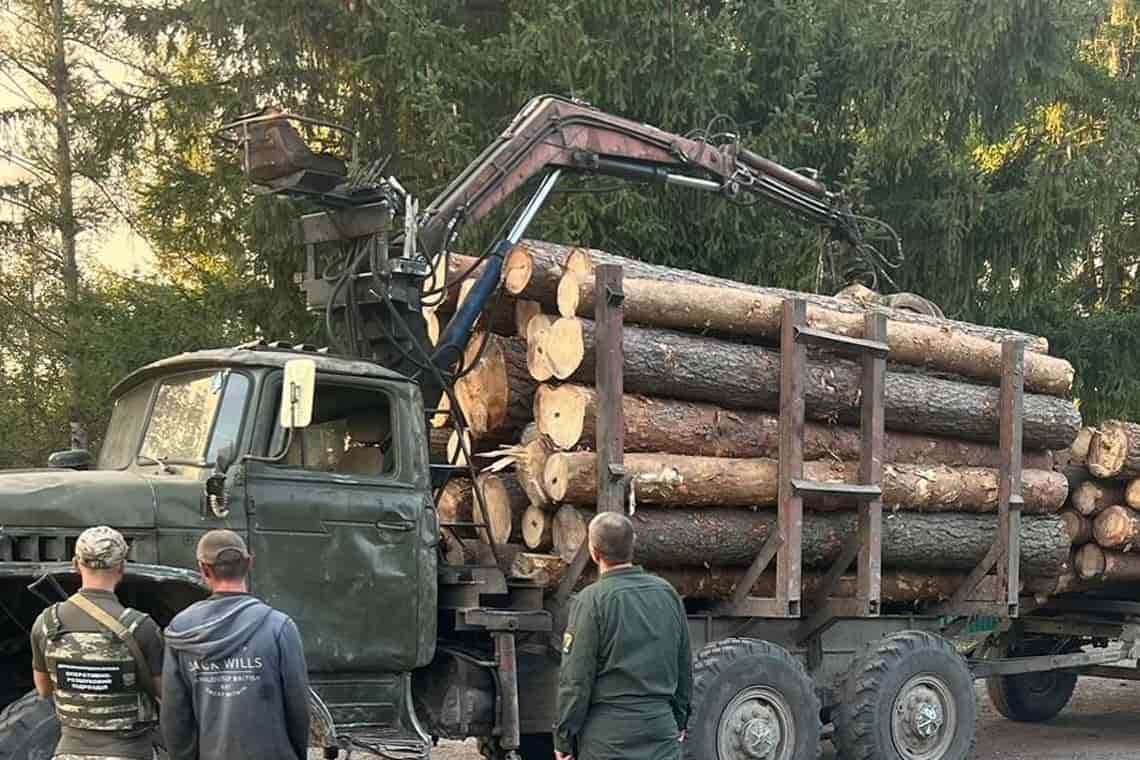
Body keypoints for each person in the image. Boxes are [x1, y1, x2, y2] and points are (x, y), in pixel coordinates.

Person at [161, 529, 310, 760]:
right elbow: (298, 707)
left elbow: (175, 715)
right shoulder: (279, 627)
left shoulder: (181, 629)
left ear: (203, 569)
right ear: (249, 563)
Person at [555, 512, 693, 760]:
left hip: (607, 738)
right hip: (660, 731)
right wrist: (679, 720)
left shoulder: (591, 600)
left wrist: (564, 738)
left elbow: (576, 679)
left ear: (594, 552)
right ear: (633, 546)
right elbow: (684, 665)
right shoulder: (667, 594)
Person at [29, 525, 164, 760]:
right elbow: (163, 691)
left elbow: (43, 689)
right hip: (130, 752)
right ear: (122, 566)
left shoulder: (47, 623)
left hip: (69, 751)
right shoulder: (140, 627)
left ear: (75, 564)